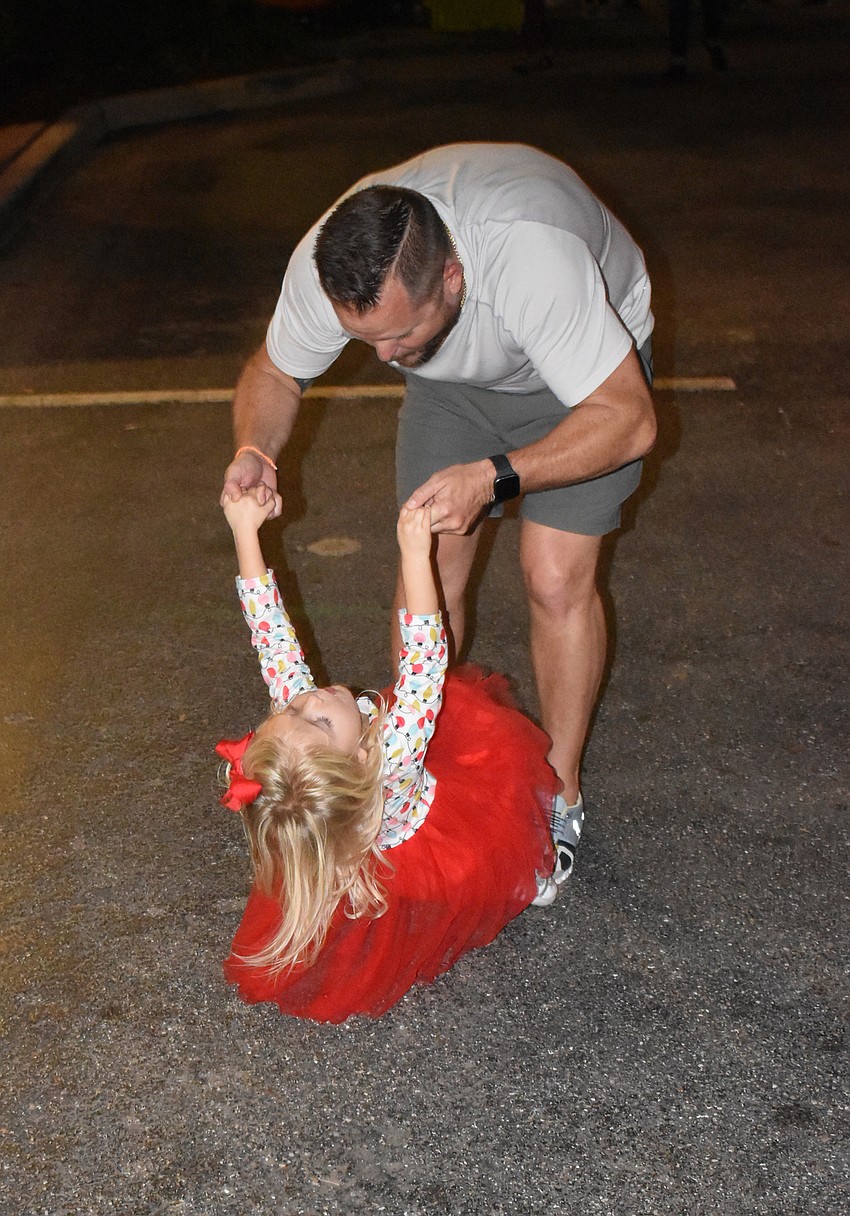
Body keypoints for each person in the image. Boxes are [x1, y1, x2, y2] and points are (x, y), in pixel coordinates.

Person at [220, 142, 657, 892]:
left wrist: (495, 477)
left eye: (395, 337)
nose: (381, 356)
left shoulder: (531, 259)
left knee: (553, 578)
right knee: (426, 571)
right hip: (453, 388)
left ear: (451, 278)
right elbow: (275, 369)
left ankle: (561, 797)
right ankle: (418, 763)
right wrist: (256, 446)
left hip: (588, 387)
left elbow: (632, 420)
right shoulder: (333, 266)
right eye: (365, 340)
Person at [217, 484, 559, 1022]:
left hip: (369, 828)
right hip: (431, 824)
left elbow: (270, 633)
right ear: (357, 760)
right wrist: (415, 555)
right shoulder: (396, 746)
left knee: (384, 902)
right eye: (321, 720)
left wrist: (244, 530)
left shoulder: (302, 736)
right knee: (486, 851)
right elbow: (425, 657)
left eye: (294, 711)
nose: (311, 698)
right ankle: (526, 873)